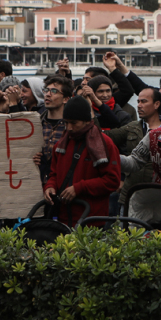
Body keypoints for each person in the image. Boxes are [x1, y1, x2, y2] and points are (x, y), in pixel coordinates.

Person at [43, 96, 121, 226]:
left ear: (86, 121)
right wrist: (50, 187)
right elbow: (54, 175)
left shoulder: (105, 144)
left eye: (74, 123)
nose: (69, 128)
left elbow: (112, 181)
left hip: (92, 220)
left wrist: (79, 188)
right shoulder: (60, 145)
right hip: (63, 219)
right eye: (66, 123)